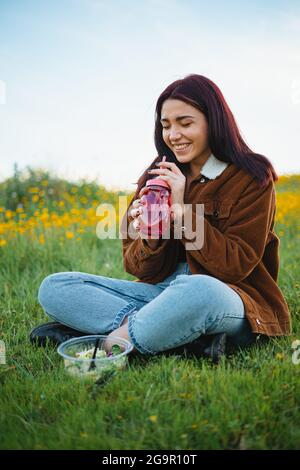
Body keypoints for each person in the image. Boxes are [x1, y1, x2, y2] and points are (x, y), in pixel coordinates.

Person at [30, 74, 291, 363]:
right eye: (166, 125)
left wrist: (181, 212)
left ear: (213, 121)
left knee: (197, 290)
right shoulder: (156, 175)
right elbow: (137, 267)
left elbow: (234, 267)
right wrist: (151, 233)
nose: (173, 135)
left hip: (228, 297)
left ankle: (117, 342)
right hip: (161, 296)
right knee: (56, 287)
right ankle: (177, 336)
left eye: (185, 123)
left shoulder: (250, 177)